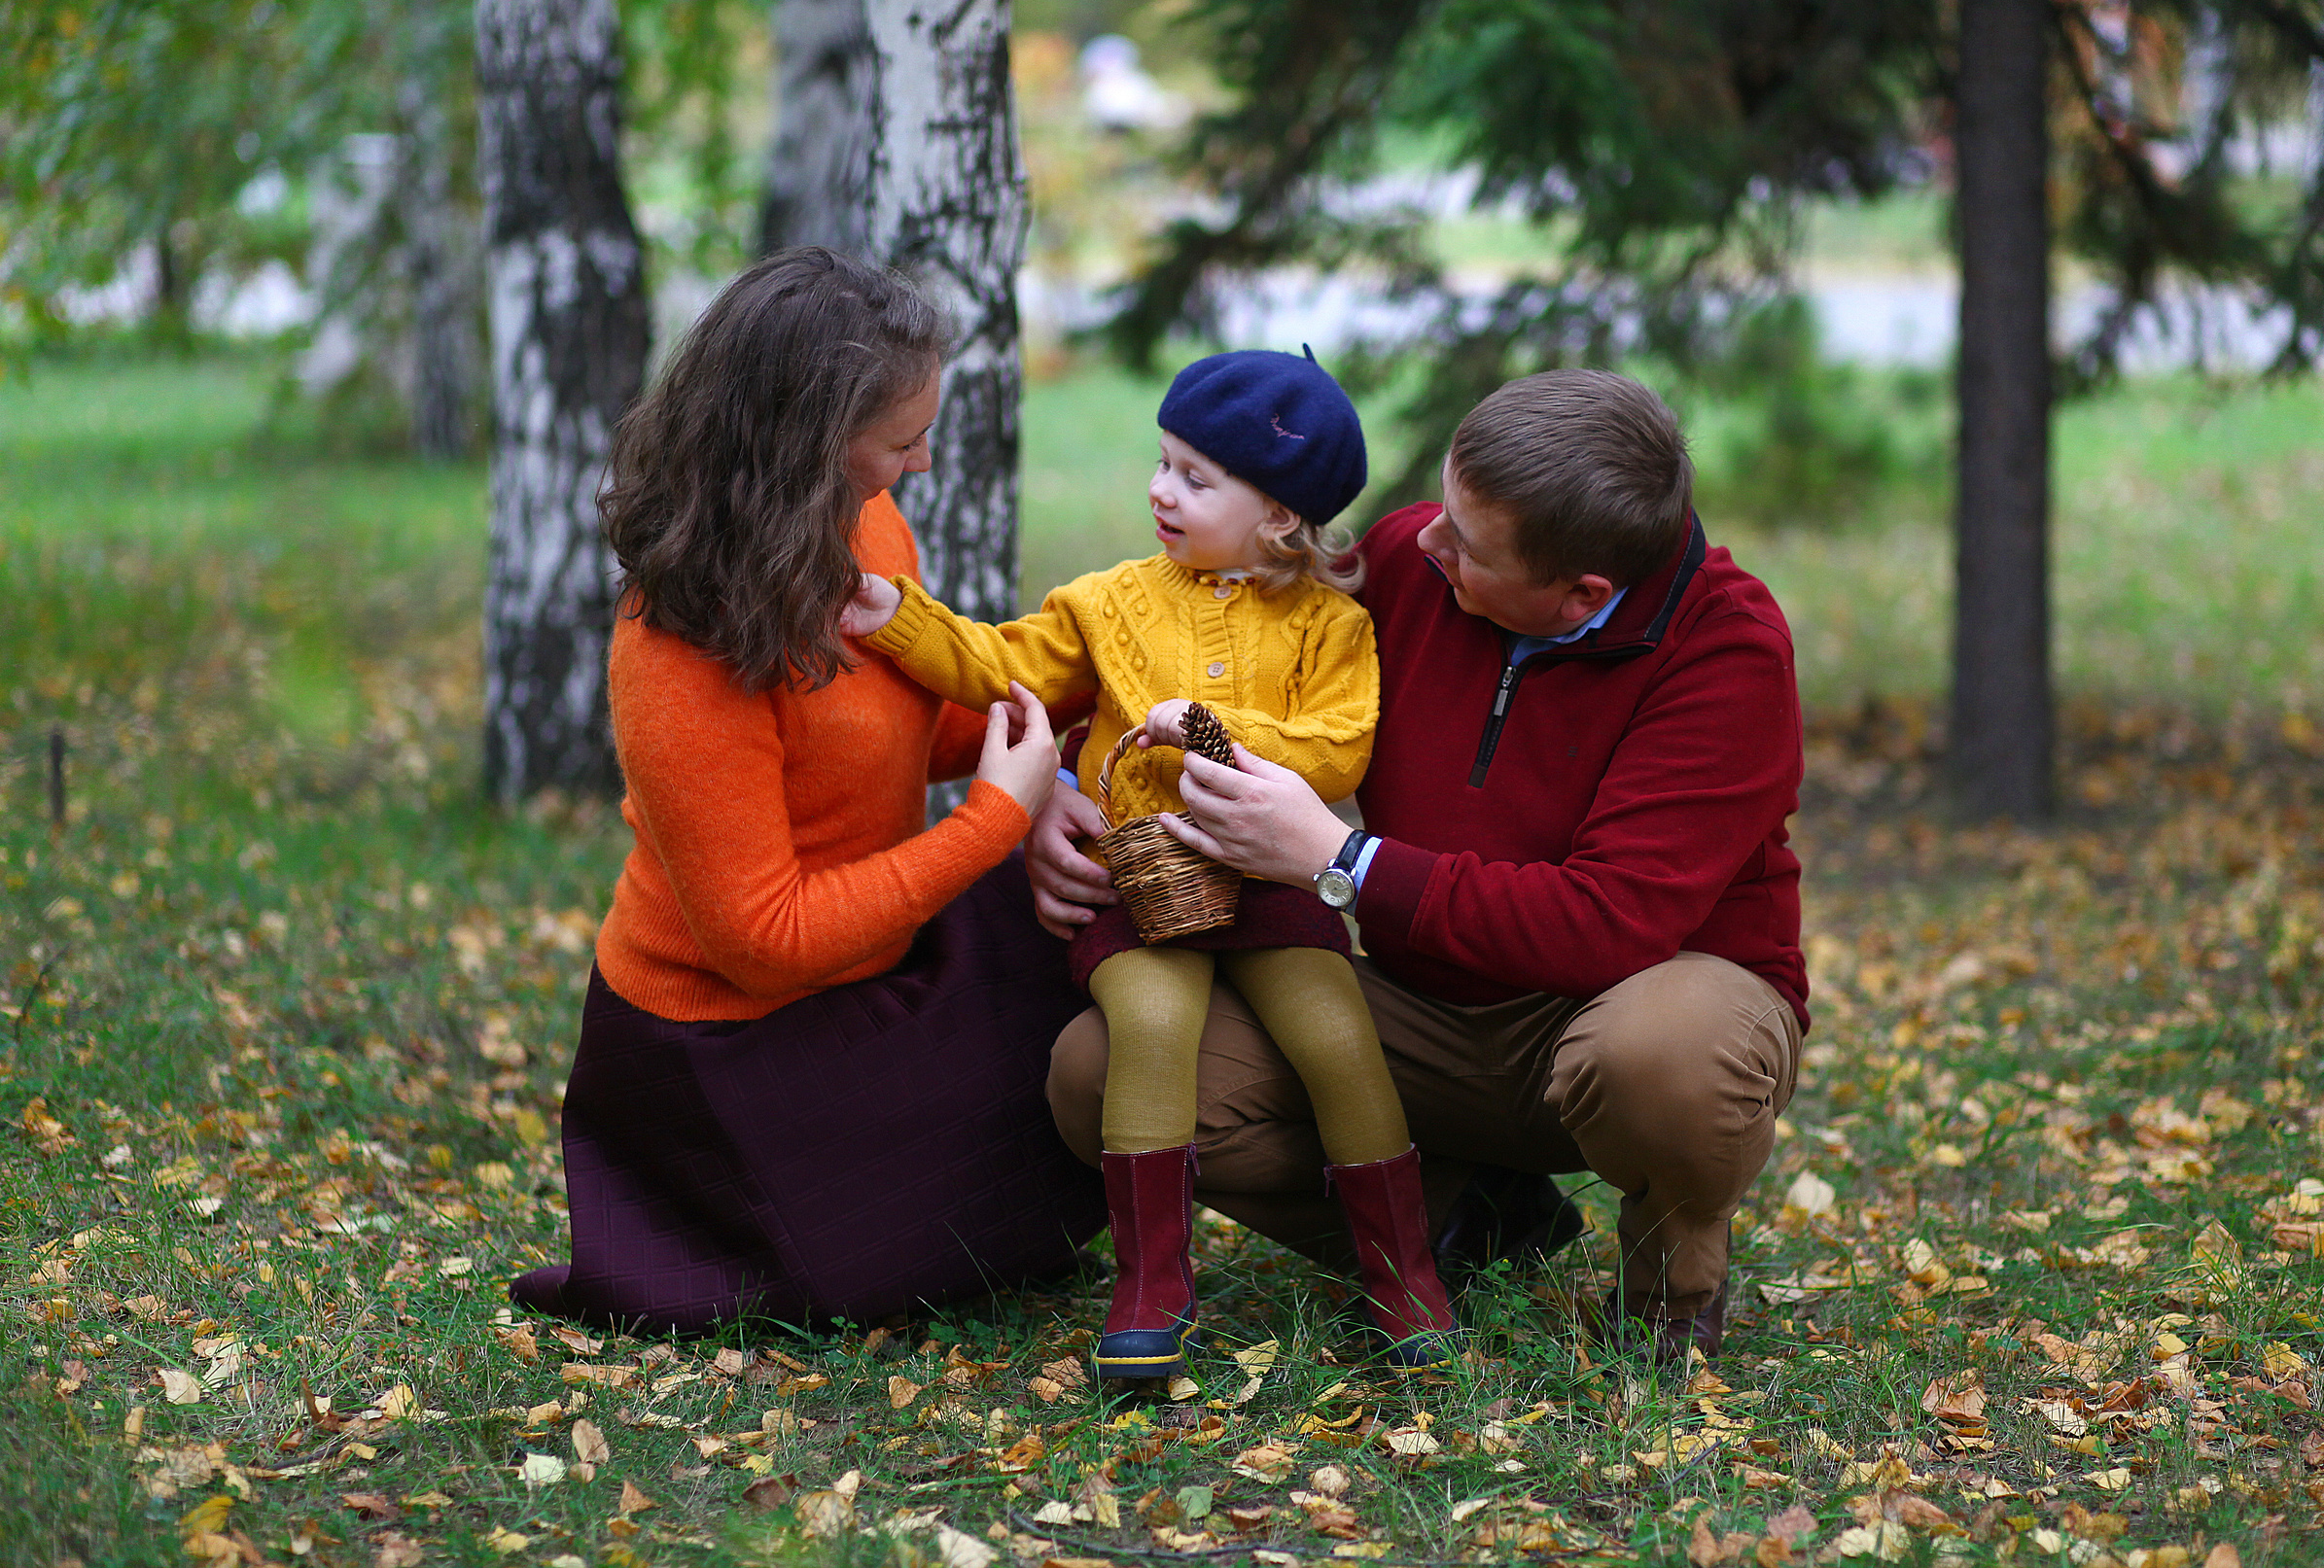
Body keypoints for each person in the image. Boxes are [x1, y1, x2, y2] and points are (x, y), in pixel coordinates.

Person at [1034, 367, 1807, 1361]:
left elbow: (1606, 923)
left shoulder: (1725, 650)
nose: (1417, 540)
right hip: (1419, 1012)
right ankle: (1463, 1224)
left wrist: (1336, 855)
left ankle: (1671, 1286)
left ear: (1581, 595)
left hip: (1628, 1001)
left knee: (1663, 1064)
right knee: (1097, 1074)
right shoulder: (1414, 557)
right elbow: (1196, 637)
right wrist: (1053, 789)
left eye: (1465, 543)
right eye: (1441, 510)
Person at [510, 248, 1102, 1333]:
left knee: (1102, 911)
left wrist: (1043, 768)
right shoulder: (673, 643)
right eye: (902, 440)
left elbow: (904, 729)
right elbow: (762, 938)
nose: (922, 463)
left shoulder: (865, 526)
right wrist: (995, 820)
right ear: (809, 445)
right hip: (729, 1043)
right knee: (875, 1272)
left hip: (875, 967)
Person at [839, 350, 1461, 1376]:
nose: (1158, 489)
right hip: (1137, 886)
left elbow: (1337, 747)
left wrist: (1210, 729)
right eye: (1162, 462)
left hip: (1267, 882)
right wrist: (899, 618)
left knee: (1336, 1031)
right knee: (1152, 1020)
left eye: (1194, 477)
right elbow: (1004, 666)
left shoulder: (1333, 628)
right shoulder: (1108, 602)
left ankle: (1402, 1273)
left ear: (1279, 520)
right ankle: (1152, 1284)